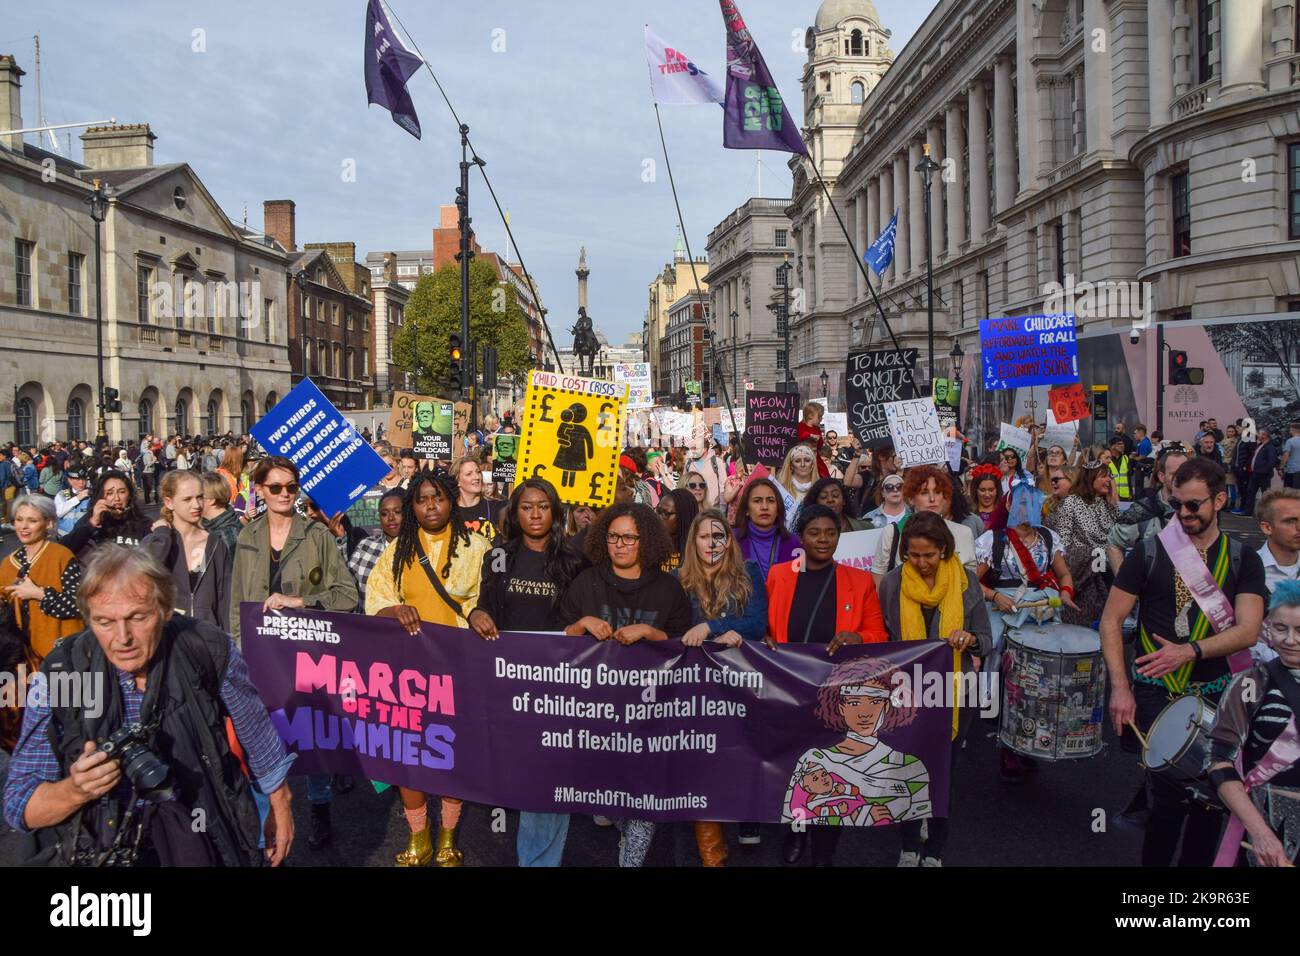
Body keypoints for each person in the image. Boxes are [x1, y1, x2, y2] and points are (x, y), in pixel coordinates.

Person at [2, 546, 295, 866]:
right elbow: (20, 806)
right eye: (104, 621)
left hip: (203, 832)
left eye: (137, 617)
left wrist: (280, 805)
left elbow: (257, 734)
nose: (122, 637)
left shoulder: (206, 649)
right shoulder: (64, 674)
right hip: (107, 850)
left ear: (166, 610)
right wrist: (77, 790)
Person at [1100, 458, 1268, 867]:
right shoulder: (1151, 552)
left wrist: (1190, 651)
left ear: (1220, 500)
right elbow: (1110, 620)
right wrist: (1121, 689)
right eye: (1177, 505)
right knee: (1167, 802)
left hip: (1220, 694)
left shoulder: (1244, 559)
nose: (1184, 514)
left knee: (1212, 805)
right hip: (1159, 692)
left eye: (1194, 505)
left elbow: (1248, 631)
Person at [228, 456, 359, 852]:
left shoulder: (317, 536)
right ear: (261, 491)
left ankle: (320, 810)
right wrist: (236, 657)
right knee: (261, 738)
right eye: (275, 487)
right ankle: (266, 823)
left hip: (307, 654)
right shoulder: (247, 537)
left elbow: (348, 596)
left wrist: (299, 601)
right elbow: (237, 604)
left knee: (309, 734)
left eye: (291, 487)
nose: (285, 494)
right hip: (260, 658)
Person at [366, 470, 491, 867]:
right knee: (410, 755)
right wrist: (393, 609)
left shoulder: (478, 546)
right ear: (412, 507)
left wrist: (476, 615)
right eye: (421, 500)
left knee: (450, 752)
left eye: (438, 497)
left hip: (459, 668)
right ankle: (418, 836)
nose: (431, 506)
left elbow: (488, 600)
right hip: (409, 672)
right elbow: (376, 598)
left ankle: (448, 836)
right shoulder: (397, 551)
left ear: (451, 501)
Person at [559, 503, 693, 867]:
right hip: (595, 716)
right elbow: (557, 642)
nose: (620, 544)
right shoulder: (586, 583)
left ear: (645, 542)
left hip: (650, 715)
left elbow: (686, 648)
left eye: (629, 538)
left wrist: (652, 633)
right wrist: (582, 622)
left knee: (643, 801)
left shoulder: (668, 589)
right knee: (603, 794)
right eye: (614, 536)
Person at [468, 478, 586, 867]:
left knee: (548, 781)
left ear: (555, 512)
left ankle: (538, 861)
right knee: (521, 778)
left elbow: (583, 617)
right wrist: (477, 614)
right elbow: (486, 607)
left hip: (561, 684)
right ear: (514, 513)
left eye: (543, 506)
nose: (535, 514)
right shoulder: (499, 556)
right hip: (511, 685)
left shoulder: (574, 559)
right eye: (526, 507)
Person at [876, 512, 992, 866]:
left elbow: (986, 640)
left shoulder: (966, 582)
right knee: (906, 769)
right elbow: (883, 637)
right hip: (905, 694)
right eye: (914, 555)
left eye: (929, 555)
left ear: (944, 549)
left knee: (942, 772)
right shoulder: (893, 584)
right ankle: (908, 846)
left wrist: (970, 638)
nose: (923, 563)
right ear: (904, 554)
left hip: (955, 695)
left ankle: (936, 849)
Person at [675, 510, 768, 864]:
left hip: (738, 687)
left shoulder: (749, 575)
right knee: (700, 768)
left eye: (719, 536)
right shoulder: (678, 580)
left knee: (735, 759)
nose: (711, 543)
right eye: (704, 536)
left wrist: (714, 626)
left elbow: (757, 622)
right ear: (693, 542)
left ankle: (744, 822)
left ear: (729, 542)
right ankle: (713, 855)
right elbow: (675, 628)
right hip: (694, 691)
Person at [1207, 580, 1300, 867]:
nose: (1290, 639)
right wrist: (1260, 833)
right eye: (1281, 628)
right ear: (1267, 629)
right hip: (1271, 825)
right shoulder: (1249, 685)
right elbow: (1218, 762)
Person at [140, 471, 231, 629]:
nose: (196, 505)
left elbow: (226, 599)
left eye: (200, 497)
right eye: (187, 499)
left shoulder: (215, 543)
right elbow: (141, 577)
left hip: (207, 638)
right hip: (167, 639)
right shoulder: (158, 541)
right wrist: (162, 536)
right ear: (169, 502)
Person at [0, 495, 83, 662]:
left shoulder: (61, 556)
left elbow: (80, 605)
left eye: (32, 520)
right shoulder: (8, 564)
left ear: (49, 523)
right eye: (19, 519)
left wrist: (40, 594)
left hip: (62, 655)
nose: (23, 526)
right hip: (22, 658)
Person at [872, 466, 978, 580]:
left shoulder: (964, 533)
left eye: (938, 492)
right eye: (924, 493)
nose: (932, 499)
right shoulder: (892, 533)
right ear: (911, 499)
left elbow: (970, 583)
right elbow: (880, 581)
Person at [1052, 460, 1119, 627]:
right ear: (1090, 478)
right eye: (1104, 476)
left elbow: (1118, 538)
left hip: (1103, 574)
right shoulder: (1071, 502)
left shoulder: (1106, 504)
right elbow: (1063, 544)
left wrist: (1113, 504)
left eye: (1110, 475)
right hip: (1079, 576)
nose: (1109, 480)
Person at [1107, 446, 1190, 574]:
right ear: (1162, 476)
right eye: (1175, 474)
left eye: (1186, 473)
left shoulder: (1200, 508)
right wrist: (1124, 585)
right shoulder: (1144, 510)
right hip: (1153, 588)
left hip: (1190, 588)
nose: (1182, 478)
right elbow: (1114, 543)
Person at [60, 470, 153, 557]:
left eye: (122, 492)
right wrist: (92, 523)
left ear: (129, 495)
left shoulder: (144, 523)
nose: (117, 498)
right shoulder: (90, 520)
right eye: (110, 493)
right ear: (101, 496)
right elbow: (63, 551)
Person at [733, 477, 799, 583]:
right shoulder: (731, 541)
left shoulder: (795, 544)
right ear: (746, 510)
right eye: (757, 501)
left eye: (771, 501)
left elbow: (801, 583)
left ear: (778, 509)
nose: (764, 507)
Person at [347, 488, 405, 607]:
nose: (390, 518)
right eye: (384, 513)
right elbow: (348, 587)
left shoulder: (421, 548)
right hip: (367, 623)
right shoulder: (366, 546)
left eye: (397, 512)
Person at [453, 457, 503, 541]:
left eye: (478, 472)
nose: (476, 477)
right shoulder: (449, 511)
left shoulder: (498, 507)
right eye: (469, 474)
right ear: (458, 481)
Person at [800, 476, 870, 533]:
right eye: (823, 497)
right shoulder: (806, 533)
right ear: (816, 504)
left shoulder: (865, 528)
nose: (830, 500)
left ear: (844, 501)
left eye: (835, 495)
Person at [200, 472, 243, 555]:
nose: (194, 503)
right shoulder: (210, 525)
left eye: (198, 497)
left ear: (211, 500)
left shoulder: (226, 535)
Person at [655, 487, 698, 572]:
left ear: (684, 516)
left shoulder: (698, 550)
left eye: (666, 514)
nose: (659, 518)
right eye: (658, 511)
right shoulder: (651, 546)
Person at [775, 444, 819, 524]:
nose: (803, 464)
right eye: (797, 461)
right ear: (791, 466)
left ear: (813, 465)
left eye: (807, 460)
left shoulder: (821, 490)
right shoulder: (780, 489)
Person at [1241, 428, 1279, 517]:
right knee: (1250, 492)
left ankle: (1267, 513)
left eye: (1260, 434)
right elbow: (1254, 457)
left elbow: (1272, 461)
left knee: (1265, 493)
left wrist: (1265, 470)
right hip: (1255, 473)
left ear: (1265, 435)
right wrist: (1247, 465)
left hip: (1263, 474)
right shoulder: (1260, 445)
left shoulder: (1270, 447)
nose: (1258, 435)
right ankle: (1248, 511)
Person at [54, 464, 92, 537]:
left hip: (83, 538)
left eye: (84, 479)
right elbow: (58, 513)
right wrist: (77, 498)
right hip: (63, 537)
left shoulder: (91, 495)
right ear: (70, 480)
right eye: (77, 480)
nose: (81, 483)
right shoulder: (62, 494)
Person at [968, 464, 1008, 532]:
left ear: (997, 490)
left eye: (991, 490)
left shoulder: (1005, 511)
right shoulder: (968, 512)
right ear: (975, 490)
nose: (987, 495)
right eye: (982, 490)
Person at [796, 402, 830, 478]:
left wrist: (820, 439)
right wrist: (810, 435)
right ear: (810, 416)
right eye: (820, 416)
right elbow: (799, 436)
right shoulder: (801, 426)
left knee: (824, 475)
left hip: (815, 457)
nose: (821, 419)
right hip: (803, 456)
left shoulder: (817, 429)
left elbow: (819, 445)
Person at [1281, 421, 1300, 490]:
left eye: (1290, 429)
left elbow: (1286, 455)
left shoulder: (1290, 441)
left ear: (1293, 430)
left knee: (1290, 493)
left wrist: (1281, 467)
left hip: (1292, 471)